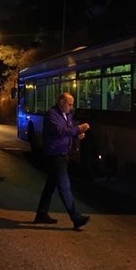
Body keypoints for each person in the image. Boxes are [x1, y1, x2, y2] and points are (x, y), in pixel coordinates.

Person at [33, 92, 91, 230]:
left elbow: (68, 131)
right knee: (65, 187)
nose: (71, 107)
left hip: (63, 155)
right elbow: (60, 131)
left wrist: (77, 135)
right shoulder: (51, 115)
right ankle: (75, 217)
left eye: (72, 105)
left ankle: (41, 213)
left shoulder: (66, 115)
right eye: (69, 104)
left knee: (50, 186)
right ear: (61, 102)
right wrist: (78, 129)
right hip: (55, 156)